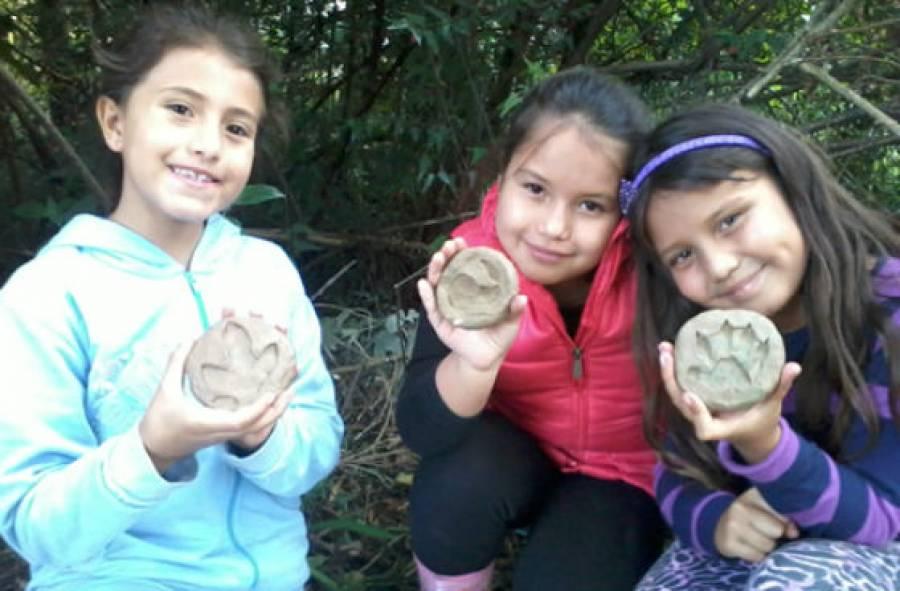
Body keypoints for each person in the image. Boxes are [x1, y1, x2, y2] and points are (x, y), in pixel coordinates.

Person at [0, 6, 343, 590]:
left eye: (237, 128)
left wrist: (258, 433)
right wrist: (152, 448)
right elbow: (34, 527)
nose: (208, 144)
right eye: (180, 109)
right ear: (115, 122)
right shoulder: (47, 296)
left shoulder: (267, 272)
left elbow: (315, 449)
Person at [396, 66, 668, 591]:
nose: (554, 228)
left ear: (627, 210)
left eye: (591, 205)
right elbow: (422, 430)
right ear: (504, 175)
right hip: (515, 458)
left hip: (623, 477)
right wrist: (474, 363)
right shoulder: (470, 267)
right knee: (454, 483)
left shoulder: (658, 274)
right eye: (536, 189)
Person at [620, 104, 900, 590]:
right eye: (683, 255)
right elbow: (676, 471)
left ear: (793, 190)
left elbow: (881, 524)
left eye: (729, 220)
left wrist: (764, 445)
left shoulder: (888, 317)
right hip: (766, 546)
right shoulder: (707, 344)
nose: (720, 266)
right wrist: (719, 520)